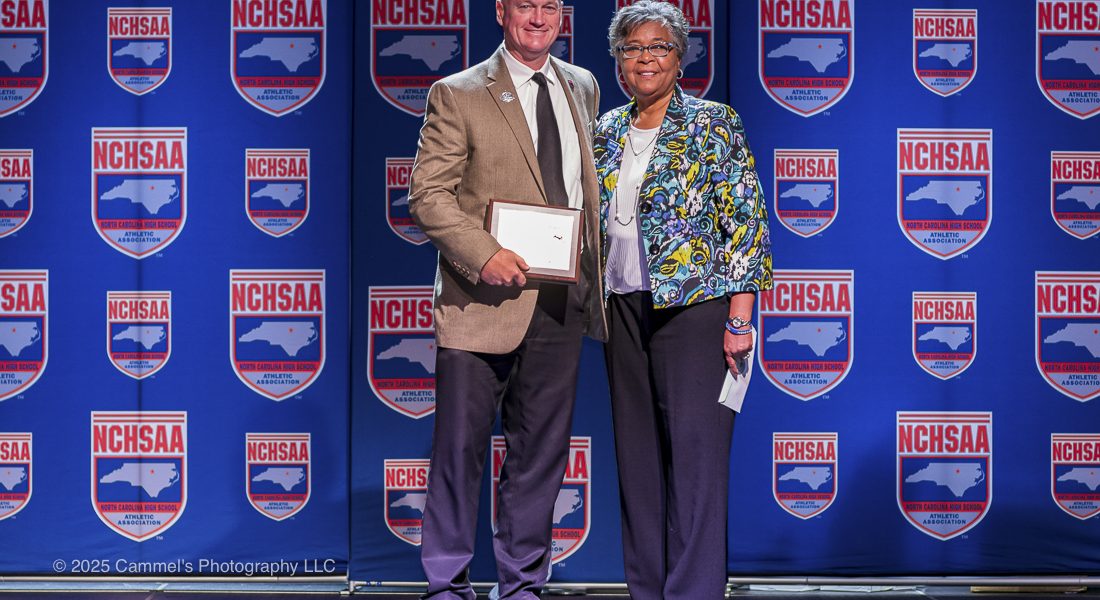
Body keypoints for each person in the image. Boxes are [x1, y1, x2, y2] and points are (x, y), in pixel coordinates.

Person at [407, 0, 605, 598]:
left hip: (561, 299)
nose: (539, 18)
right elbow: (428, 195)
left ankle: (521, 585)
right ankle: (446, 584)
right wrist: (484, 252)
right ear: (501, 11)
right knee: (459, 451)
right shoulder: (459, 92)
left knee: (541, 455)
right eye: (526, 5)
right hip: (480, 303)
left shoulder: (583, 85)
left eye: (550, 6)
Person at [593, 2, 773, 599]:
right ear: (618, 61)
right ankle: (647, 590)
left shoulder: (713, 123)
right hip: (622, 308)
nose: (646, 58)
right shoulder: (605, 130)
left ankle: (693, 591)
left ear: (680, 59)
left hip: (695, 311)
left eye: (659, 47)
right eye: (633, 48)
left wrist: (741, 320)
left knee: (696, 465)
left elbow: (746, 225)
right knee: (637, 461)